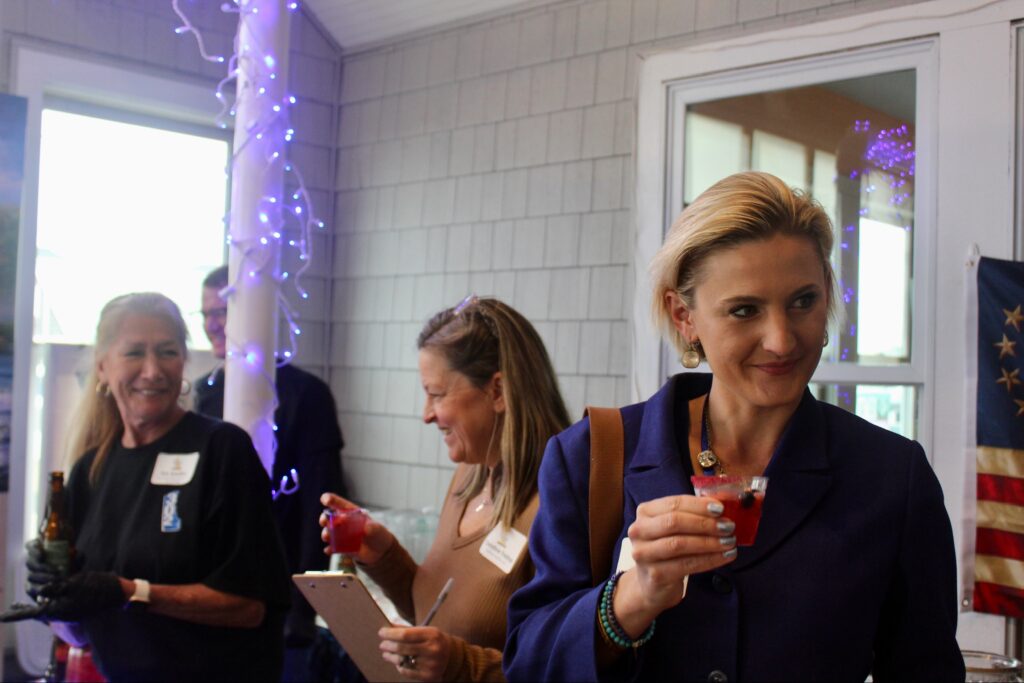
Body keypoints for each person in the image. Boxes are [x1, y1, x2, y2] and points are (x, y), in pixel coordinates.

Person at [504, 172, 965, 682]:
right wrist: (630, 598)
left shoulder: (891, 477)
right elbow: (527, 663)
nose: (781, 340)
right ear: (684, 317)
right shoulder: (590, 457)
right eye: (744, 310)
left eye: (803, 301)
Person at [10, 292, 291, 681]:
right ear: (102, 367)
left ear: (184, 361)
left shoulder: (222, 451)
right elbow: (77, 632)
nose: (153, 370)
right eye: (134, 353)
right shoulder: (90, 470)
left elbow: (250, 607)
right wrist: (51, 591)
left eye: (167, 352)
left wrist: (131, 592)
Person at [320, 296, 571, 682]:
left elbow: (565, 666)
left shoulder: (558, 503)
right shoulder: (469, 476)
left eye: (436, 394)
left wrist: (459, 664)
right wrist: (384, 556)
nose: (426, 414)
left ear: (498, 391)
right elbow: (438, 616)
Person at [195, 265, 346, 680]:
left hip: (283, 593)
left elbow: (320, 504)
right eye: (206, 314)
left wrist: (303, 606)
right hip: (213, 591)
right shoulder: (206, 392)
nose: (212, 324)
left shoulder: (307, 395)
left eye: (222, 312)